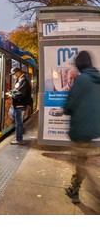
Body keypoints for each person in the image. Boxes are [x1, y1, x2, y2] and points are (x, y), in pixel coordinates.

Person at [62, 51, 100, 204]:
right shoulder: (97, 79)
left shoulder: (81, 80)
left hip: (81, 129)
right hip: (94, 129)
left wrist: (66, 109)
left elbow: (69, 105)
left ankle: (74, 191)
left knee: (80, 162)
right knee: (82, 160)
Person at [7, 67, 32, 145]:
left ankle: (19, 139)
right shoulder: (19, 80)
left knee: (18, 123)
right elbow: (16, 89)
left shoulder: (23, 80)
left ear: (18, 72)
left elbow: (21, 94)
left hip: (20, 104)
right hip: (17, 105)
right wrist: (11, 92)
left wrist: (11, 96)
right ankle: (21, 130)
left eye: (14, 74)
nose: (14, 76)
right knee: (12, 115)